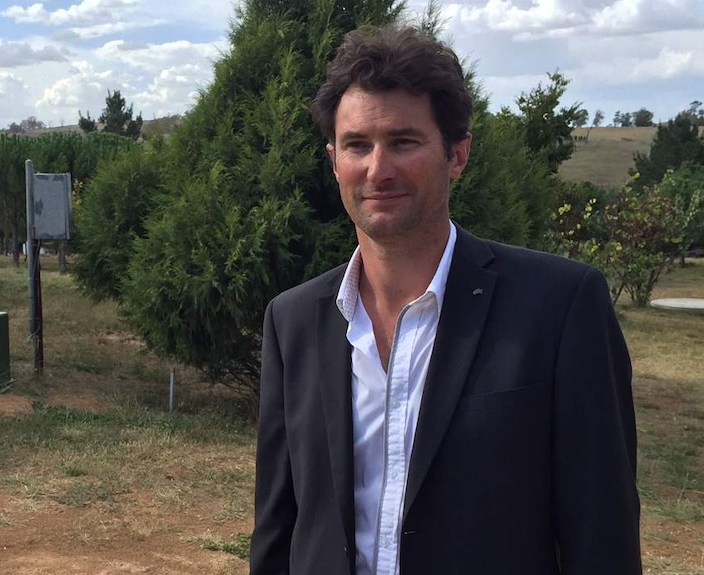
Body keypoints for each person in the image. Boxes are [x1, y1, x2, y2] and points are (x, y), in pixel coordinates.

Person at [249, 24, 641, 575]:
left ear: (456, 155)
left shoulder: (559, 308)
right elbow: (278, 528)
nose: (377, 169)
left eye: (404, 142)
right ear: (334, 159)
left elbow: (603, 534)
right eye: (357, 145)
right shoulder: (292, 321)